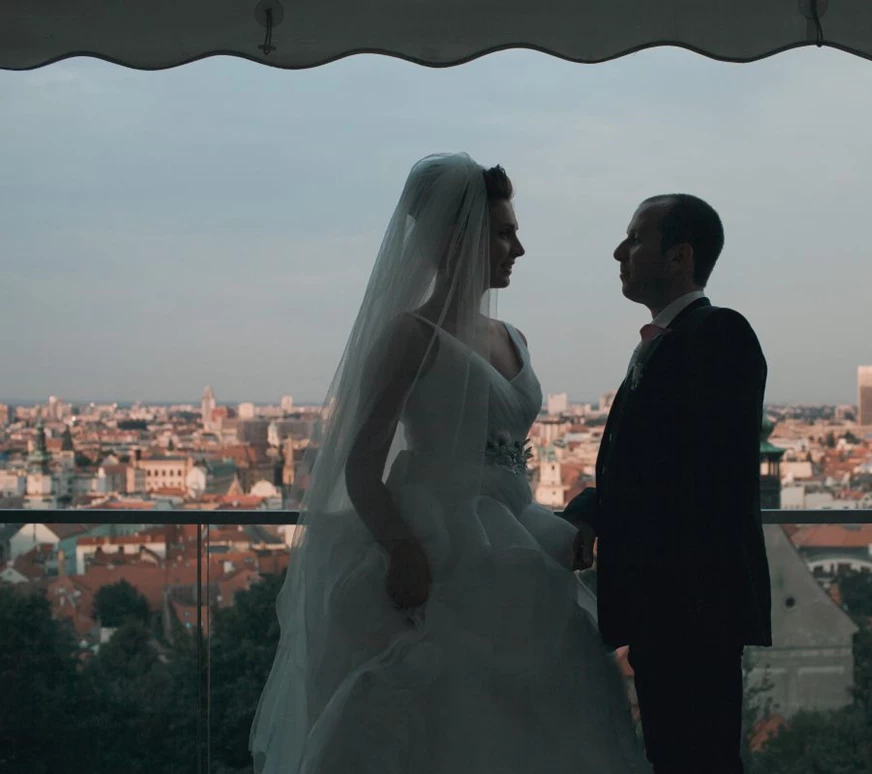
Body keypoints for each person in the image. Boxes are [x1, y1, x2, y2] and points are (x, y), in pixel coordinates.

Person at [251, 153, 645, 773]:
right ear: (458, 239)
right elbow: (361, 464)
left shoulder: (512, 336)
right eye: (504, 232)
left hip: (515, 527)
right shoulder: (411, 334)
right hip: (442, 538)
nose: (518, 247)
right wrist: (403, 548)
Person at [564, 194, 772, 774]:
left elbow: (694, 480)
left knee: (695, 758)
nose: (618, 252)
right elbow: (655, 468)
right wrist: (589, 508)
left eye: (634, 240)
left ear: (680, 257)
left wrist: (592, 512)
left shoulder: (720, 333)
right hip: (674, 611)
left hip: (690, 610)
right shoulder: (677, 338)